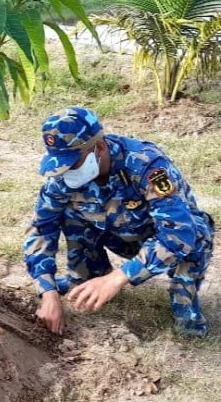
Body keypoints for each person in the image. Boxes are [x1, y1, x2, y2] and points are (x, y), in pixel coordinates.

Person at [24, 106, 214, 337]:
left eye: (73, 162)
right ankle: (88, 279)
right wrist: (48, 292)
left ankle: (187, 308)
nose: (66, 171)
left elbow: (179, 234)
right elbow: (42, 229)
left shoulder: (146, 164)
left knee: (197, 231)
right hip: (116, 235)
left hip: (161, 240)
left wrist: (118, 278)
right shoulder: (62, 178)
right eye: (60, 163)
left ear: (99, 148)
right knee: (69, 213)